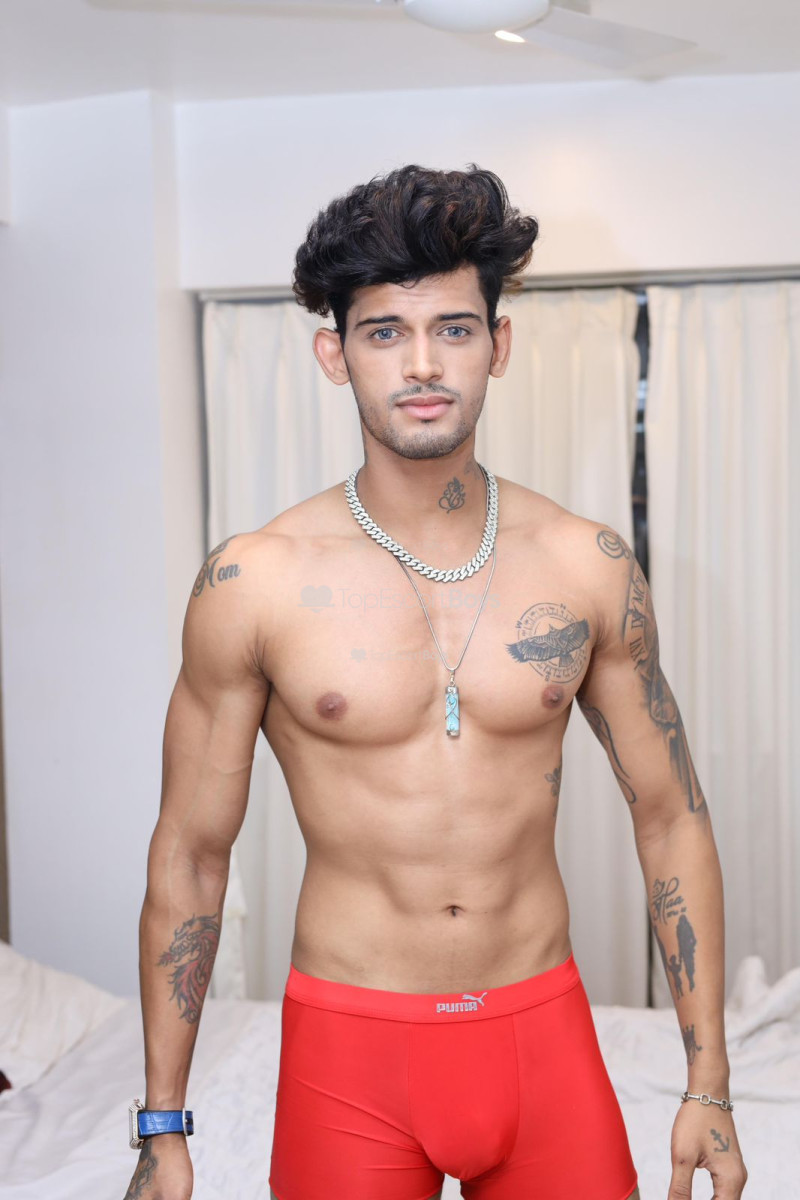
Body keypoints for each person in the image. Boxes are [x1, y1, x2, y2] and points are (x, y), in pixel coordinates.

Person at [123, 164, 748, 1200]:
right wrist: (161, 1126)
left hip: (539, 1034)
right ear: (335, 355)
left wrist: (708, 1082)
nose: (421, 363)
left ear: (497, 345)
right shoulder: (253, 582)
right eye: (384, 332)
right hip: (348, 1052)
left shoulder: (585, 565)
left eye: (453, 329)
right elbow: (189, 857)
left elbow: (670, 818)